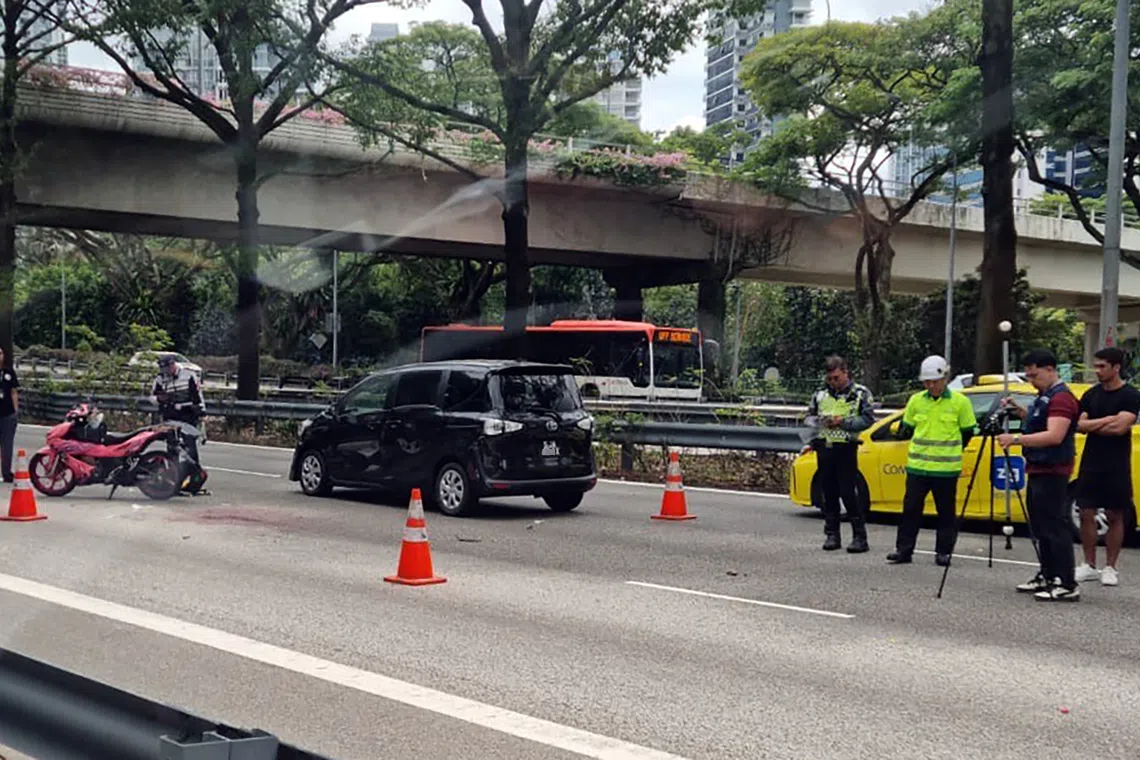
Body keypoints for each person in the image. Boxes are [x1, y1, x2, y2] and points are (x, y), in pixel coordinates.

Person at [997, 349, 1082, 602]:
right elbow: (1040, 422)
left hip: (1053, 471)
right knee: (1040, 526)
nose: (1033, 381)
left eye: (1035, 375)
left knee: (1055, 526)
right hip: (1037, 468)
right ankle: (1047, 573)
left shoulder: (1062, 398)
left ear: (1049, 369)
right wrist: (1019, 410)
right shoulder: (1045, 396)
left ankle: (1066, 581)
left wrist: (1015, 438)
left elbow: (1054, 435)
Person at [887, 355, 977, 567]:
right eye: (926, 382)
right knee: (910, 511)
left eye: (934, 381)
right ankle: (904, 550)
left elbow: (967, 432)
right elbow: (906, 428)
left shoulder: (960, 402)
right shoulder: (916, 401)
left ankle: (943, 552)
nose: (930, 385)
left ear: (945, 378)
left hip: (946, 469)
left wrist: (952, 450)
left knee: (946, 513)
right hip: (918, 468)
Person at [1072, 347, 1139, 587]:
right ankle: (1088, 564)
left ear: (1116, 367)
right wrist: (1106, 419)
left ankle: (1110, 567)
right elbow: (1080, 425)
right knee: (1086, 511)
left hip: (1116, 463)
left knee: (1115, 514)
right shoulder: (1091, 394)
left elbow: (1120, 428)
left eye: (1102, 366)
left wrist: (1095, 424)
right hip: (1092, 461)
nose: (1097, 371)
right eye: (1096, 366)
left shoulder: (1130, 395)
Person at [803, 355, 876, 553]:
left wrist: (842, 422)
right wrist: (818, 421)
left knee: (848, 492)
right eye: (830, 379)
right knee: (829, 492)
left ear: (845, 372)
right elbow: (808, 417)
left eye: (836, 378)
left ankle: (860, 536)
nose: (833, 382)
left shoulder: (859, 393)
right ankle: (832, 534)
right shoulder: (820, 394)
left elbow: (868, 419)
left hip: (846, 447)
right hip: (824, 447)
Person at [150, 354, 206, 493]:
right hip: (170, 417)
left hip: (188, 416)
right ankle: (174, 483)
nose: (165, 372)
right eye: (163, 370)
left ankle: (195, 481)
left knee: (190, 448)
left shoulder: (189, 375)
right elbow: (152, 397)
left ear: (173, 365)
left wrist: (201, 413)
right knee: (172, 449)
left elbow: (198, 396)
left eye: (167, 368)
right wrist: (160, 399)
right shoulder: (160, 379)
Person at [0, 346, 19, 483]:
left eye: (0, 353)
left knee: (7, 446)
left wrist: (15, 411)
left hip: (7, 414)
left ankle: (6, 473)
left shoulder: (8, 372)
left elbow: (13, 391)